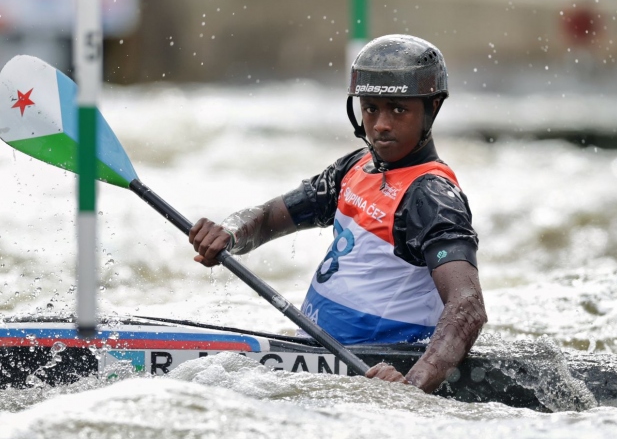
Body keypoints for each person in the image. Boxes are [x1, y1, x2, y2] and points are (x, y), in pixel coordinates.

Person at [188, 35, 487, 393]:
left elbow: (467, 306)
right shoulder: (356, 167)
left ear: (433, 108)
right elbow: (268, 218)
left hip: (376, 368)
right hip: (315, 354)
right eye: (371, 108)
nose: (380, 125)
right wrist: (230, 234)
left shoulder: (431, 196)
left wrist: (414, 385)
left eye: (398, 109)